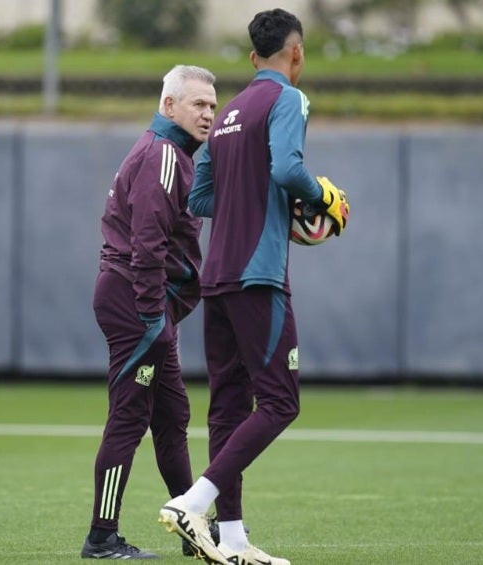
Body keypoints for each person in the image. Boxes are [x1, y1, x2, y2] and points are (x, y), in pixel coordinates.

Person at [158, 9, 349, 565]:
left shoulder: (229, 112)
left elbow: (198, 201)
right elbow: (289, 169)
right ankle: (194, 502)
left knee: (227, 408)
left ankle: (234, 542)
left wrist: (256, 199)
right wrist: (323, 200)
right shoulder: (288, 99)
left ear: (251, 58)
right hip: (258, 276)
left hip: (215, 278)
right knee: (282, 401)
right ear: (297, 54)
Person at [81, 65, 218, 560]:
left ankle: (193, 528)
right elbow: (146, 246)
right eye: (198, 103)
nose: (208, 112)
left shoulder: (175, 155)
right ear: (169, 107)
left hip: (146, 301)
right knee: (128, 419)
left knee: (172, 417)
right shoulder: (163, 154)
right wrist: (151, 319)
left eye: (211, 104)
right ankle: (101, 538)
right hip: (137, 302)